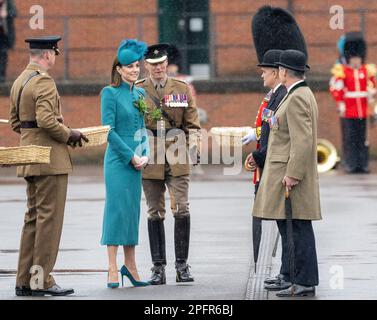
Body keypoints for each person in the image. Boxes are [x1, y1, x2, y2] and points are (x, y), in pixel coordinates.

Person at [9, 35, 88, 296]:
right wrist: (70, 134)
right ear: (48, 54)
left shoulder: (20, 80)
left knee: (33, 219)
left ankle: (24, 280)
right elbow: (46, 120)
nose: (55, 57)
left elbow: (15, 123)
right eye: (55, 53)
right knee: (48, 222)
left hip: (30, 156)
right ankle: (41, 281)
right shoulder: (43, 81)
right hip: (49, 160)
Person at [253, 49, 322, 297]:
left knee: (298, 229)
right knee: (289, 228)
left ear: (283, 71)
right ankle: (292, 274)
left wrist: (293, 173)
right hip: (286, 172)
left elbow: (302, 141)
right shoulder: (295, 94)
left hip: (292, 177)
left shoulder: (297, 97)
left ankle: (304, 280)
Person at [136, 43, 201, 285]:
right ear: (146, 66)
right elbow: (133, 124)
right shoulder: (138, 90)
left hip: (177, 151)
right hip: (149, 152)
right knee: (155, 211)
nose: (157, 68)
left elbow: (193, 125)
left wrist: (193, 147)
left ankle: (182, 265)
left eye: (161, 63)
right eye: (152, 65)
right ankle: (158, 267)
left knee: (181, 208)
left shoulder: (182, 88)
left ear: (167, 63)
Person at [100, 39, 150, 288]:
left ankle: (130, 266)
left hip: (137, 161)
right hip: (118, 161)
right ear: (118, 69)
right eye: (128, 66)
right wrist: (131, 155)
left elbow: (142, 128)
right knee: (116, 211)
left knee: (132, 211)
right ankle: (111, 266)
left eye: (136, 65)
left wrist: (146, 153)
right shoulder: (109, 93)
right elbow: (108, 131)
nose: (134, 69)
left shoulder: (140, 93)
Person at [329, 32, 376, 173]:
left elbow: (373, 86)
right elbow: (335, 88)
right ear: (349, 59)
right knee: (350, 138)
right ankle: (350, 163)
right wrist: (340, 103)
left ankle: (362, 164)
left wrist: (372, 92)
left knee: (363, 139)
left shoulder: (367, 71)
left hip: (363, 109)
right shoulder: (342, 71)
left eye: (358, 59)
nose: (356, 61)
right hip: (349, 110)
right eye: (354, 59)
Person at [0, 0, 16, 82]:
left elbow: (14, 13)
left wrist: (7, 14)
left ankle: (2, 77)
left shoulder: (8, 3)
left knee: (3, 55)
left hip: (4, 35)